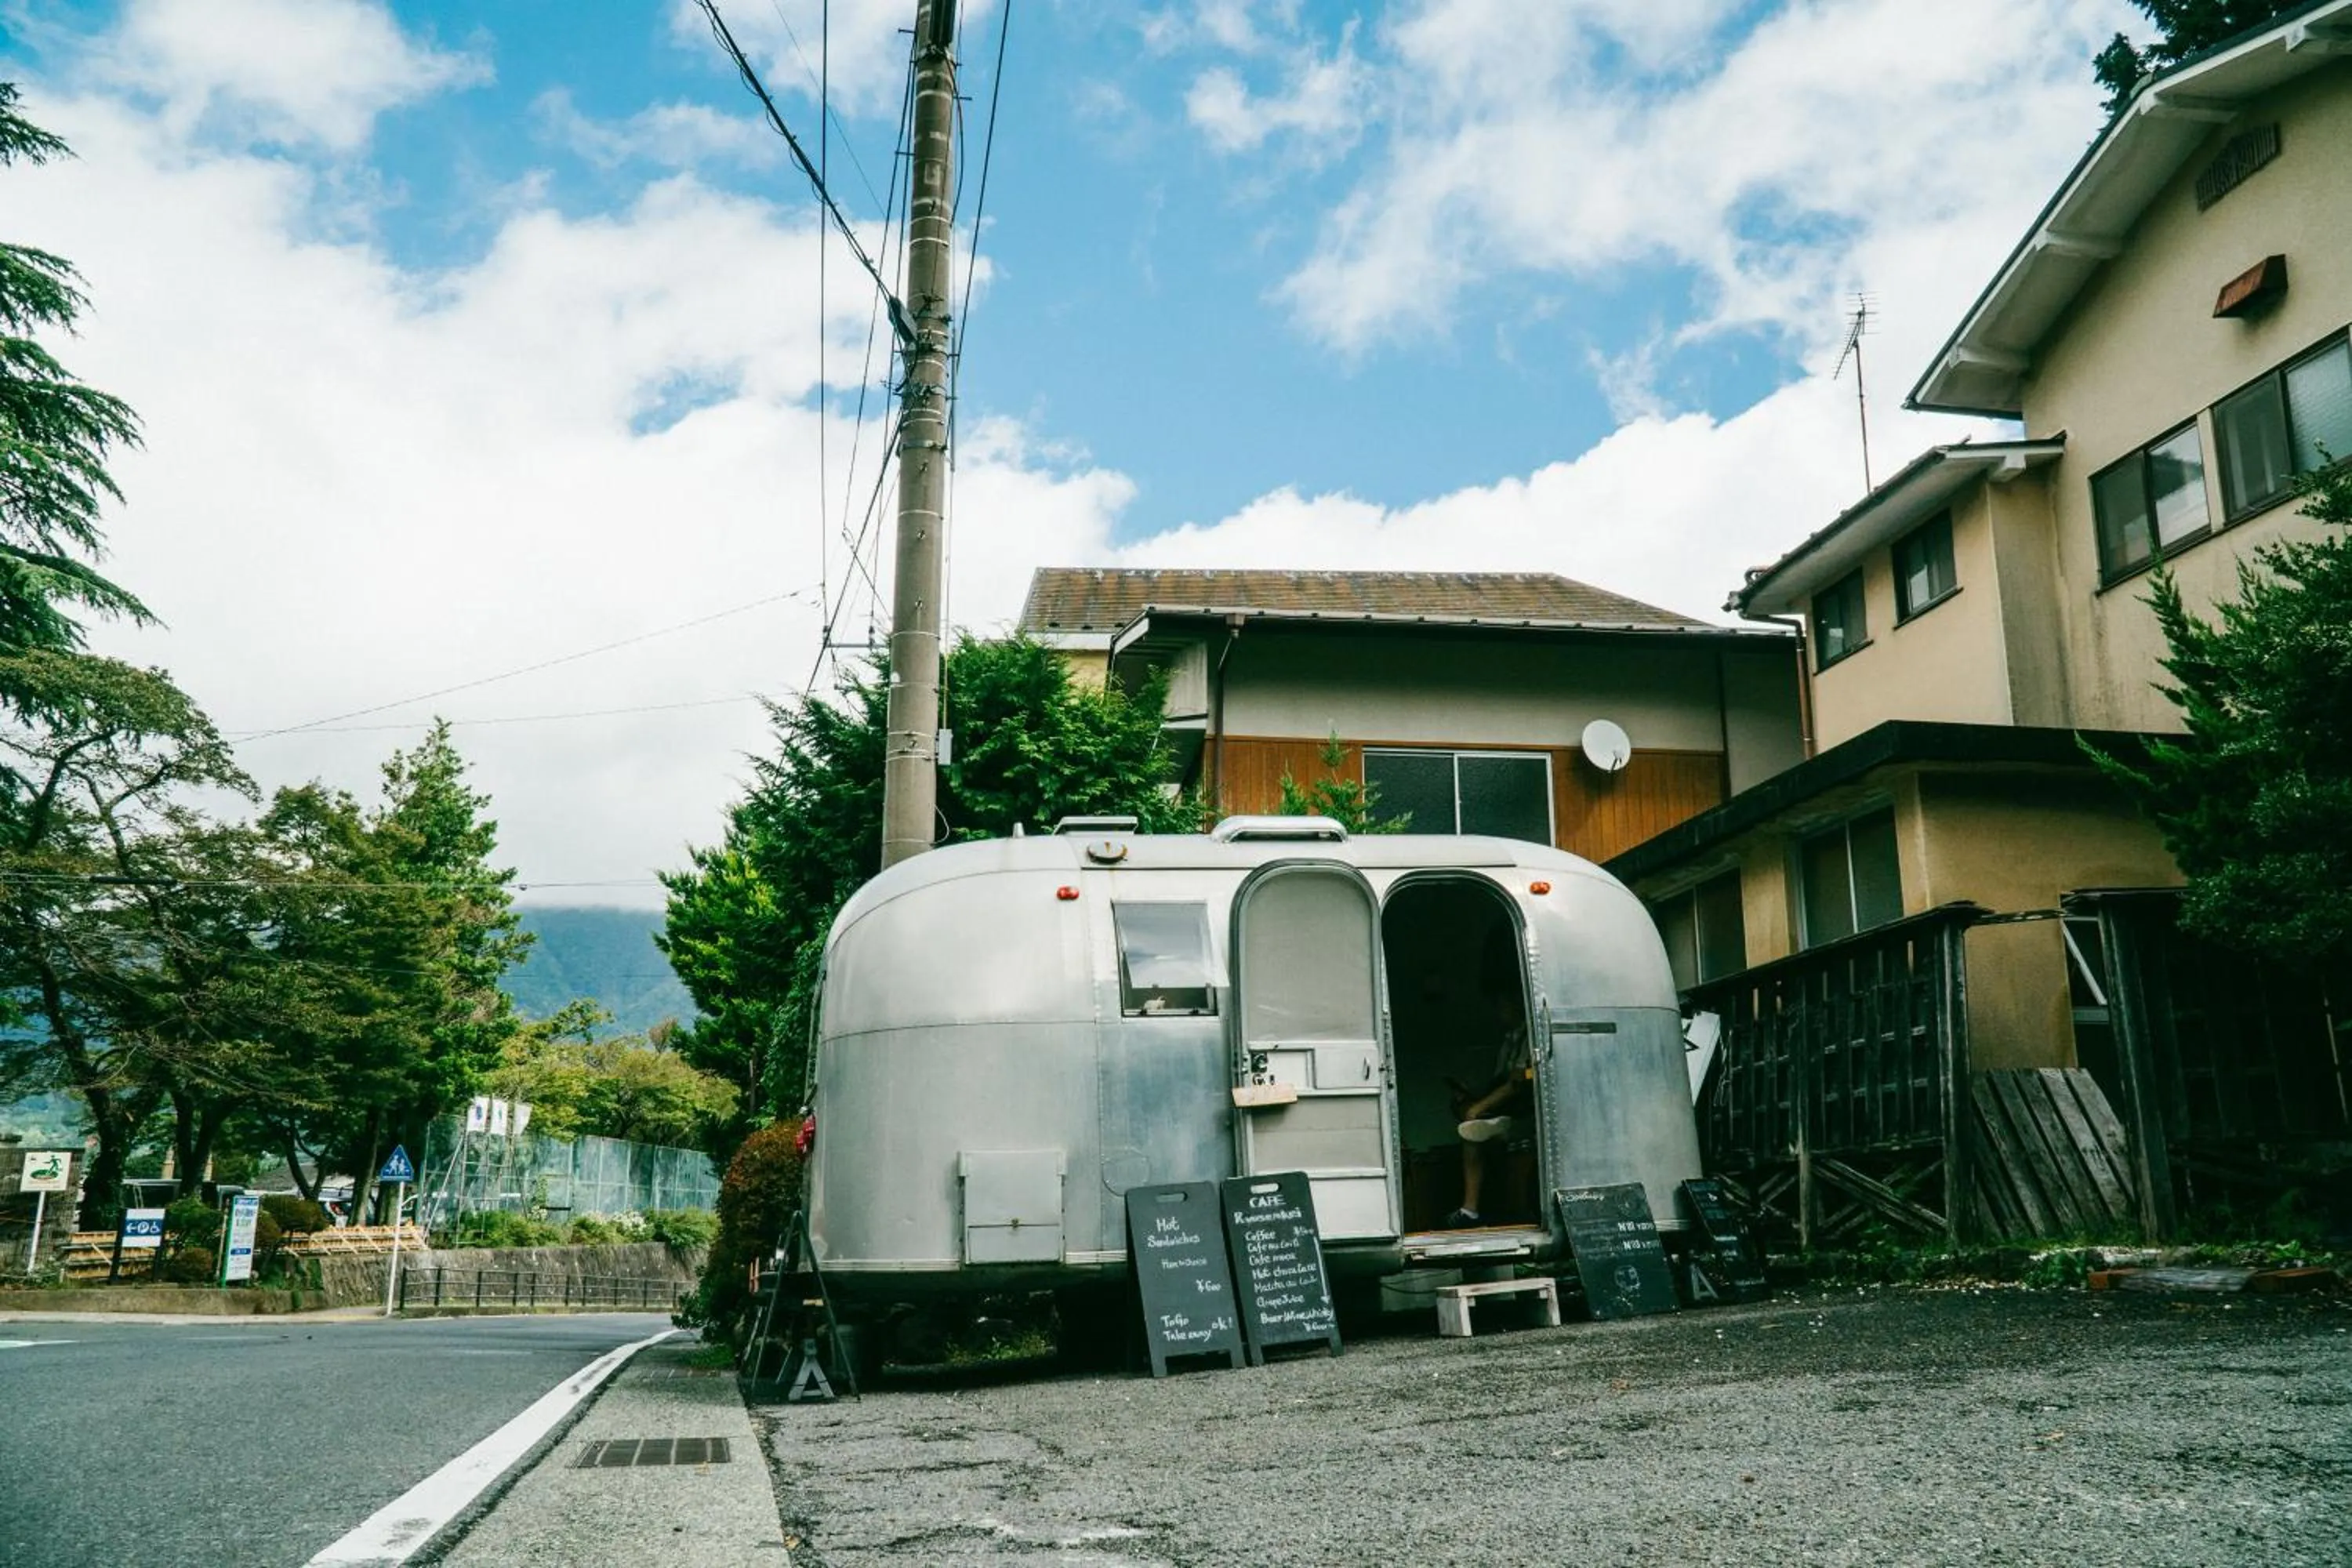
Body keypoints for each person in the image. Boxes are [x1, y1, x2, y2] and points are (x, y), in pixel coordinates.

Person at [1443, 985, 1532, 1229]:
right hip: (1505, 1105)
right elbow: (1499, 1081)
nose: (1499, 1012)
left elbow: (1518, 1082)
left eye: (1503, 1006)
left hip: (1525, 1108)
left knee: (1473, 1121)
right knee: (1468, 1125)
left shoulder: (1530, 1036)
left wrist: (1479, 1106)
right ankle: (1469, 1209)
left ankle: (1500, 1123)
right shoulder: (1508, 1041)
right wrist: (1470, 1097)